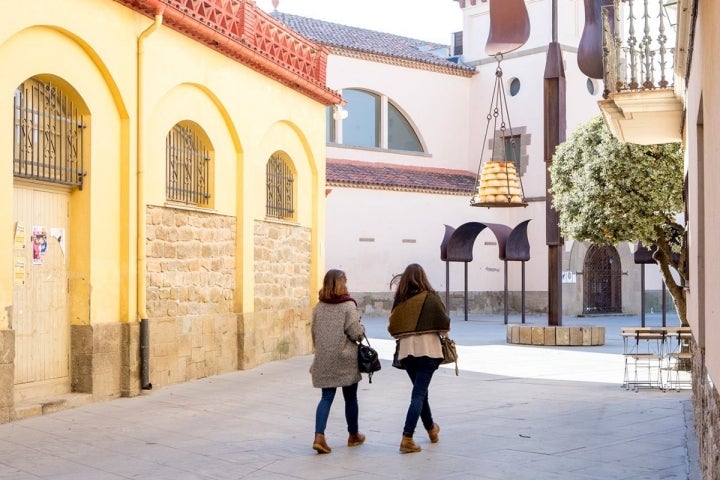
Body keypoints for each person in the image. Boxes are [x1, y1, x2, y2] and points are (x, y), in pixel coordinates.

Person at [388, 263, 450, 453]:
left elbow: (392, 328)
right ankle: (407, 437)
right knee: (418, 394)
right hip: (428, 351)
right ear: (423, 277)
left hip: (407, 353)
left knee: (421, 393)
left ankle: (432, 430)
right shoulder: (431, 297)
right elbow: (444, 325)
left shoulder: (399, 301)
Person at [309, 269, 366, 454]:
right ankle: (353, 435)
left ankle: (319, 436)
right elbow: (356, 333)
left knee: (326, 397)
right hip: (345, 358)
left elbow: (314, 333)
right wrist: (361, 328)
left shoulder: (318, 307)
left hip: (324, 358)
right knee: (351, 398)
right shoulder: (348, 306)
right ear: (342, 283)